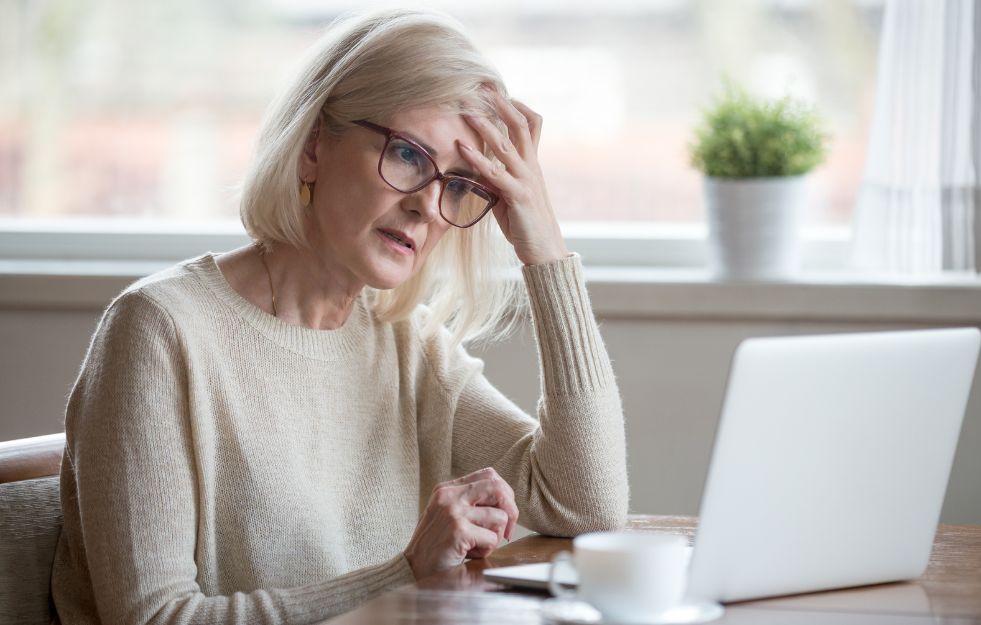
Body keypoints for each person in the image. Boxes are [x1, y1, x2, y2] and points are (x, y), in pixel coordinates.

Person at [50, 8, 628, 625]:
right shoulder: (160, 331)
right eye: (408, 154)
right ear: (312, 147)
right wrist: (402, 577)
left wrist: (543, 245)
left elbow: (586, 503)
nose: (429, 206)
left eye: (459, 185)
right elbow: (153, 619)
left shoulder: (410, 344)